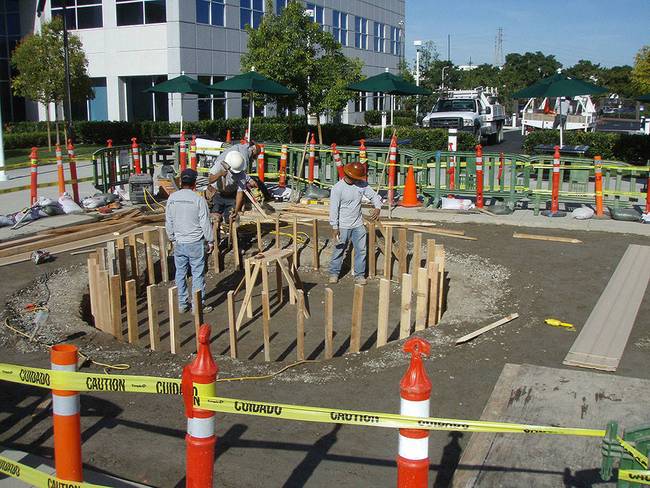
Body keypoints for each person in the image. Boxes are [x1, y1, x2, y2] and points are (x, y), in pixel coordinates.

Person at [165, 168, 214, 312]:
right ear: (194, 183)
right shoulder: (198, 199)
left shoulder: (172, 198)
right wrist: (210, 240)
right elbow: (205, 222)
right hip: (195, 243)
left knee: (180, 273)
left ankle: (182, 304)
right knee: (198, 274)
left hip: (179, 242)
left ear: (181, 181)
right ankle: (197, 306)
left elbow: (169, 221)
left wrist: (172, 238)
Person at [329, 162, 382, 285]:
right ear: (349, 175)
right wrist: (335, 226)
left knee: (361, 250)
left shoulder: (361, 185)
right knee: (339, 249)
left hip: (358, 224)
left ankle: (359, 275)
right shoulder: (338, 188)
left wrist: (378, 207)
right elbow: (333, 208)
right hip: (343, 225)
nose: (358, 180)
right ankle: (334, 273)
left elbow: (373, 196)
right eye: (356, 178)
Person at [206, 149, 255, 226]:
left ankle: (233, 235)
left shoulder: (241, 174)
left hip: (231, 197)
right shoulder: (219, 165)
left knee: (231, 218)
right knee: (214, 218)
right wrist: (219, 174)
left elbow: (239, 194)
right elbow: (210, 180)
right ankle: (215, 236)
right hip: (218, 194)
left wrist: (236, 210)